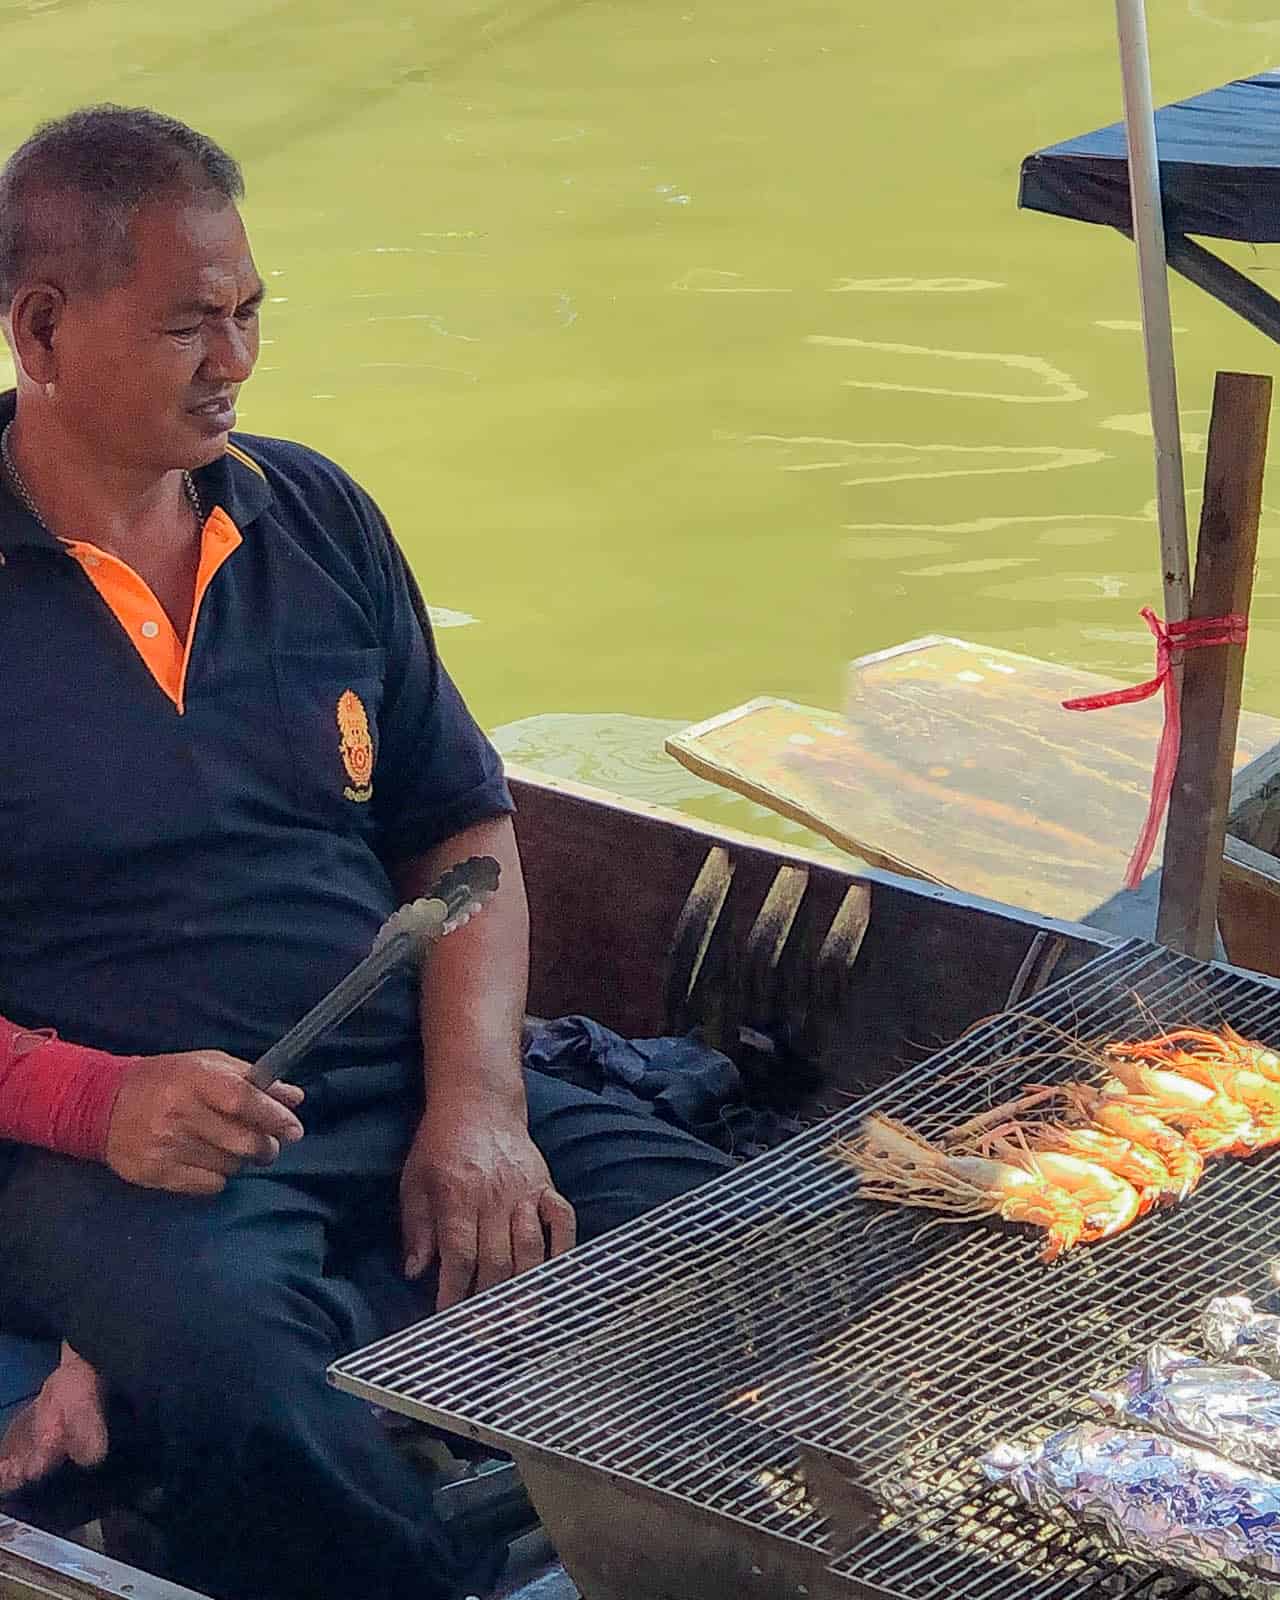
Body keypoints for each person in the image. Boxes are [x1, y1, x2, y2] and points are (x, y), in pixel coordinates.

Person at [0, 105, 734, 1600]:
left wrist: (479, 1110)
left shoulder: (311, 510)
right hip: (117, 1147)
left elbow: (459, 832)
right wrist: (97, 1099)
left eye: (253, 314)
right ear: (42, 329)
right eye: (190, 327)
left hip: (396, 1076)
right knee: (243, 1388)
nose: (238, 365)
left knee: (729, 1244)